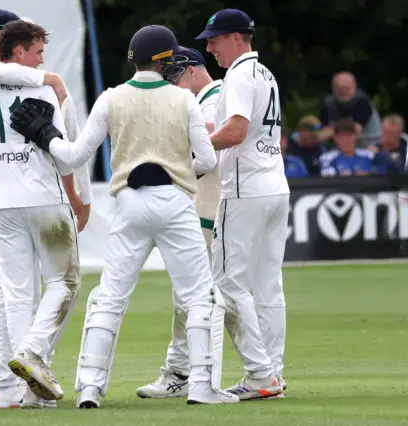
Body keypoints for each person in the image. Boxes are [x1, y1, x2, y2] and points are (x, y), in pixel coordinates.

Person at [10, 24, 239, 408]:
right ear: (167, 61)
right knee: (199, 296)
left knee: (110, 296)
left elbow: (72, 156)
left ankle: (89, 389)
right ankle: (201, 386)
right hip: (175, 200)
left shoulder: (111, 98)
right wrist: (177, 167)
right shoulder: (184, 100)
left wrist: (46, 134)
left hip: (129, 202)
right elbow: (208, 159)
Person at [0, 9, 90, 409]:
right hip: (45, 199)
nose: (43, 59)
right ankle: (34, 354)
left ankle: (25, 389)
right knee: (64, 282)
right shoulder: (44, 91)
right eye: (39, 51)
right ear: (20, 51)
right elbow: (65, 159)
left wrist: (2, 154)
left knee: (15, 293)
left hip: (1, 204)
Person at [195, 8, 288, 400]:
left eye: (214, 40)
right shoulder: (265, 73)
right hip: (275, 185)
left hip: (245, 187)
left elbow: (235, 130)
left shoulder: (237, 75)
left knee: (227, 283)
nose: (210, 48)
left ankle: (260, 375)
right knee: (268, 286)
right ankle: (273, 374)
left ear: (236, 38)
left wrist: (194, 148)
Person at [136, 46, 224, 399]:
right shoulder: (207, 99)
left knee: (197, 297)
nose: (169, 85)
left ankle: (186, 374)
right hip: (201, 209)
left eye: (173, 76)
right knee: (197, 296)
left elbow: (207, 153)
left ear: (189, 71)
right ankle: (190, 372)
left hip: (207, 211)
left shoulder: (212, 100)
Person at [320, 71, 382, 147]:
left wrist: (332, 131)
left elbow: (354, 130)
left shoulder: (363, 102)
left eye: (346, 88)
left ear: (355, 86)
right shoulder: (328, 103)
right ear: (333, 88)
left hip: (369, 144)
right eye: (339, 88)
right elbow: (324, 131)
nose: (343, 91)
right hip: (339, 147)